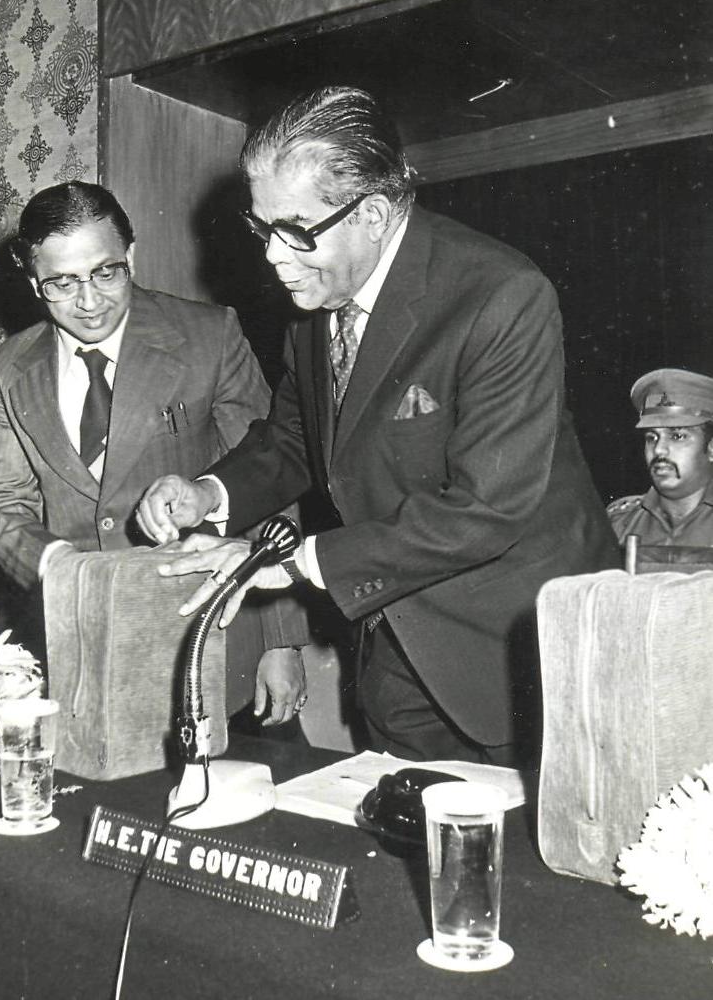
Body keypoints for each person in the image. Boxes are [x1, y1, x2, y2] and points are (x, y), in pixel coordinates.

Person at [136, 85, 620, 766]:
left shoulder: (501, 295)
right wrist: (209, 494)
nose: (274, 257)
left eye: (296, 230)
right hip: (397, 631)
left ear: (372, 213)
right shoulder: (316, 297)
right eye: (262, 228)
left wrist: (293, 562)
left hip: (518, 650)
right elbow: (297, 438)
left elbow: (486, 509)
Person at [0, 181, 308, 725]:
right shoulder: (11, 365)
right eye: (61, 283)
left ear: (130, 256)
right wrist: (58, 567)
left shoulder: (209, 335)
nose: (89, 302)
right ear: (34, 283)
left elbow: (272, 478)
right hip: (83, 649)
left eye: (105, 272)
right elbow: (1, 506)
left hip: (209, 638)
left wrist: (282, 640)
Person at [608, 368, 713, 545]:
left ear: (711, 448)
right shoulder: (618, 523)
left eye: (677, 436)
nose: (658, 450)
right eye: (652, 438)